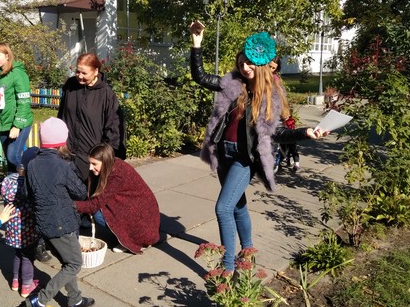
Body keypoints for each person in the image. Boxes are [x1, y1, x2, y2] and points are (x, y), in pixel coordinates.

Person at [189, 21, 328, 272]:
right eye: (241, 63)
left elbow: (277, 133)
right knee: (238, 205)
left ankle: (228, 268)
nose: (244, 67)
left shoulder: (269, 96)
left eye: (250, 63)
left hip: (244, 159)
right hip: (224, 154)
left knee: (223, 208)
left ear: (262, 65)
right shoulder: (234, 84)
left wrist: (305, 133)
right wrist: (197, 43)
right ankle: (248, 252)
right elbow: (200, 77)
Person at [25, 117, 94, 307]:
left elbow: (28, 193)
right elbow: (80, 193)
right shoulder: (64, 167)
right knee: (74, 264)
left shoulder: (32, 164)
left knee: (67, 261)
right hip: (62, 224)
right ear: (62, 142)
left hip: (44, 224)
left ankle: (75, 300)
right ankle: (40, 301)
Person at [75, 143, 160, 254]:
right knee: (101, 209)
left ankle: (130, 240)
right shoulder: (115, 164)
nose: (90, 168)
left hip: (142, 223)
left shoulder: (116, 176)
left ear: (105, 161)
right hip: (144, 215)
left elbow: (94, 205)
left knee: (98, 214)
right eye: (90, 163)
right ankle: (128, 235)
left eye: (94, 164)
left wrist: (70, 204)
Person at [58, 53, 125, 182]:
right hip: (67, 153)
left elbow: (113, 129)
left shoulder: (105, 94)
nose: (79, 76)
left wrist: (103, 157)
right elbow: (61, 115)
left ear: (95, 71)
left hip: (90, 157)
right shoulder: (70, 86)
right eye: (77, 72)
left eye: (84, 73)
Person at [1, 147, 40, 298]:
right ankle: (26, 286)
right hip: (27, 230)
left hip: (12, 229)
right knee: (27, 256)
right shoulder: (29, 184)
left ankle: (15, 281)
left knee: (18, 254)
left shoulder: (8, 180)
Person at [0, 42, 33, 172]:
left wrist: (17, 125)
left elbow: (24, 101)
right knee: (10, 161)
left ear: (7, 55)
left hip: (18, 123)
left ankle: (36, 172)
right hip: (3, 122)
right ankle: (13, 183)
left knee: (13, 157)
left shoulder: (18, 74)